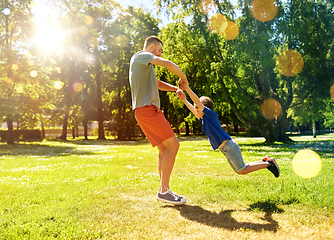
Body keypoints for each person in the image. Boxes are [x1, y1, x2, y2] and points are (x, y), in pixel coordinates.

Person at [129, 36, 188, 205]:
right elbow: (168, 64)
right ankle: (164, 190)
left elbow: (157, 83)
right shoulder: (141, 56)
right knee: (174, 145)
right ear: (152, 47)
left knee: (164, 149)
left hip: (144, 110)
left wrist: (176, 88)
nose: (160, 54)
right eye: (160, 50)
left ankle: (163, 189)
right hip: (148, 109)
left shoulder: (142, 65)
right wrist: (183, 77)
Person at [177, 82, 280, 177]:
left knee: (242, 169)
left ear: (205, 108)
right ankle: (266, 161)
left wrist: (187, 88)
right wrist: (184, 100)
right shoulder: (204, 119)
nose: (196, 110)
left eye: (197, 108)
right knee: (240, 169)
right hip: (226, 149)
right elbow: (194, 109)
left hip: (229, 147)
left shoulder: (210, 115)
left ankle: (268, 164)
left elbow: (196, 101)